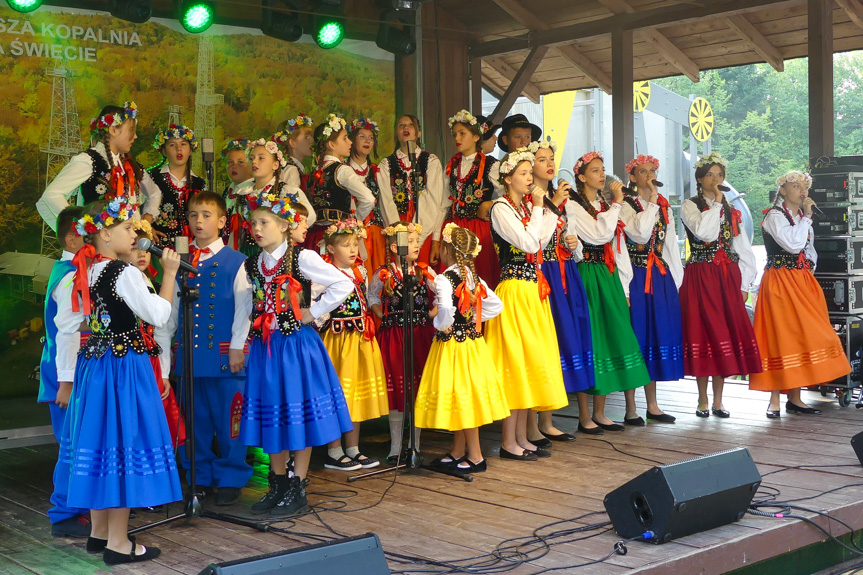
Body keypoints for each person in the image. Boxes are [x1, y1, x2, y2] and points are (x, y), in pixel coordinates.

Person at [55, 198, 183, 564]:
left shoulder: (87, 271)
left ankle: (98, 533)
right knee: (126, 446)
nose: (136, 233)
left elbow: (69, 323)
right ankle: (118, 543)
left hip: (96, 366)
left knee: (101, 445)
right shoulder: (125, 273)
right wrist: (170, 273)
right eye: (129, 228)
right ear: (106, 234)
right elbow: (158, 314)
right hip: (125, 368)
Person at [240, 193, 353, 515]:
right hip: (266, 348)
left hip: (296, 346)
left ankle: (297, 485)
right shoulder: (252, 264)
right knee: (273, 415)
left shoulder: (301, 258)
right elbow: (248, 306)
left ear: (284, 225)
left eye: (264, 222)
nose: (257, 228)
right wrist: (242, 342)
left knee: (297, 414)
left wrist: (312, 311)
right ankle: (277, 483)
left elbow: (342, 284)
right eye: (253, 223)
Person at [157, 191, 254, 506]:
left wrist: (238, 347)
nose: (199, 221)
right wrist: (165, 365)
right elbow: (168, 315)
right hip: (190, 360)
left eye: (207, 215)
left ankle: (231, 476)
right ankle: (198, 476)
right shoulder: (179, 262)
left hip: (226, 358)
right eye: (194, 215)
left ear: (223, 221)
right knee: (194, 423)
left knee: (230, 422)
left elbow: (244, 309)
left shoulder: (236, 261)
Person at [484, 149, 568, 461]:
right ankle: (508, 441)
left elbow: (543, 240)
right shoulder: (501, 209)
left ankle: (521, 436)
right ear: (507, 179)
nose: (529, 178)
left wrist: (547, 210)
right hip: (515, 290)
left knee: (529, 364)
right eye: (523, 174)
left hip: (533, 290)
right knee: (515, 367)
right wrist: (539, 208)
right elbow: (529, 243)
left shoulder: (525, 209)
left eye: (529, 173)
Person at [751, 170, 850, 417]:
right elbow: (793, 244)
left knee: (807, 335)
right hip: (780, 281)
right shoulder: (774, 216)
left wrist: (807, 269)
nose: (802, 191)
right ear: (783, 191)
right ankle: (774, 399)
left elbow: (808, 249)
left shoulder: (800, 218)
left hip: (801, 280)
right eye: (796, 187)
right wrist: (806, 217)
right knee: (781, 336)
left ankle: (795, 398)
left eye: (805, 187)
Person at [416, 223, 509, 474]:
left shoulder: (446, 279)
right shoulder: (471, 275)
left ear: (446, 249)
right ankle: (458, 451)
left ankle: (476, 456)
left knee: (462, 398)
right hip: (471, 344)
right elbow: (495, 305)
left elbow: (445, 309)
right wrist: (470, 318)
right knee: (462, 397)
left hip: (454, 347)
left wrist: (442, 324)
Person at [567, 151, 650, 434]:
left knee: (613, 338)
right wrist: (616, 204)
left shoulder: (604, 203)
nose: (601, 175)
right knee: (591, 340)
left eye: (603, 170)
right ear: (581, 176)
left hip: (608, 274)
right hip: (587, 275)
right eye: (594, 170)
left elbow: (618, 246)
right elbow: (597, 234)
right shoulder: (572, 204)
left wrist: (625, 285)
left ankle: (600, 412)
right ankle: (583, 414)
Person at [680, 152, 761, 418]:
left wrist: (746, 280)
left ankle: (718, 400)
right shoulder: (690, 205)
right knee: (704, 333)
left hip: (726, 276)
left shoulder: (731, 209)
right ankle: (702, 399)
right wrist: (716, 205)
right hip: (701, 275)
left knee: (723, 335)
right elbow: (704, 233)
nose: (716, 179)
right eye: (710, 175)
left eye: (720, 175)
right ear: (700, 179)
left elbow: (741, 245)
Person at [527, 140, 591, 444]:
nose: (549, 164)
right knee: (547, 340)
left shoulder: (563, 198)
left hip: (565, 271)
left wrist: (572, 244)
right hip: (543, 274)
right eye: (541, 159)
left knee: (569, 337)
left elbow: (567, 234)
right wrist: (551, 201)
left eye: (551, 158)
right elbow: (533, 239)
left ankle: (569, 416)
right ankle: (543, 420)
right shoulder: (529, 199)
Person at [317, 219, 389, 471]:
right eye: (345, 245)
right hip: (338, 340)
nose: (352, 250)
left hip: (360, 339)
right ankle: (334, 451)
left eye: (355, 244)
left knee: (355, 395)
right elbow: (318, 305)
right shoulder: (325, 273)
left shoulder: (361, 272)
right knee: (339, 395)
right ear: (330, 249)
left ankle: (353, 449)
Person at [38, 206, 91, 540]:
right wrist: (66, 383)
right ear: (73, 236)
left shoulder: (74, 269)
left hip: (69, 372)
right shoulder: (70, 273)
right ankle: (63, 513)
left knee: (78, 443)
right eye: (90, 231)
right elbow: (69, 334)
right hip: (64, 374)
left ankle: (78, 508)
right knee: (71, 445)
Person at [620, 154, 683, 424]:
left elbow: (669, 244)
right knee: (637, 337)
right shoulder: (625, 205)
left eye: (652, 170)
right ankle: (630, 407)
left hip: (659, 276)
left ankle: (653, 404)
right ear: (632, 178)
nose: (649, 176)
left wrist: (675, 282)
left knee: (655, 338)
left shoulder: (663, 206)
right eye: (643, 172)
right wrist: (653, 203)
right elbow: (640, 235)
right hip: (635, 275)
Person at [368, 222, 437, 462]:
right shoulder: (384, 273)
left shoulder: (424, 271)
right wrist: (379, 313)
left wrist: (432, 313)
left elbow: (442, 293)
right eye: (413, 242)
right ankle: (396, 446)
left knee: (416, 389)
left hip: (418, 334)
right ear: (397, 247)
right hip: (393, 335)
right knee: (397, 392)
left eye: (418, 242)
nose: (418, 246)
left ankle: (415, 444)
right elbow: (371, 295)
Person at [36, 102, 153, 230]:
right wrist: (82, 229)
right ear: (113, 130)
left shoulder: (124, 165)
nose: (135, 136)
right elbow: (51, 195)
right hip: (98, 247)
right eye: (131, 130)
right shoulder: (89, 160)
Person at [125, 220, 185, 448]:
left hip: (151, 360)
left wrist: (164, 372)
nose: (142, 254)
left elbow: (161, 332)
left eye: (146, 248)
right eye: (135, 248)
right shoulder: (125, 280)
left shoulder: (153, 282)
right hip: (132, 359)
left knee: (158, 421)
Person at [435, 109, 502, 288]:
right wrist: (436, 238)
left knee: (480, 276)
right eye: (455, 134)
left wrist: (490, 203)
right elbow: (443, 203)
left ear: (475, 137)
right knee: (453, 279)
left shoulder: (491, 165)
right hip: (453, 228)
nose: (457, 138)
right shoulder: (452, 165)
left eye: (462, 133)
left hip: (478, 231)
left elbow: (509, 198)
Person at [377, 115, 446, 263]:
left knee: (421, 272)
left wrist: (416, 238)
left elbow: (433, 199)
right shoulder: (386, 164)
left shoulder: (431, 161)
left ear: (418, 133)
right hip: (397, 222)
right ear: (396, 132)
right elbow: (386, 201)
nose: (405, 128)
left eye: (410, 125)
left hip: (423, 226)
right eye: (401, 125)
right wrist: (400, 235)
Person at [303, 114, 375, 253]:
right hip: (336, 240)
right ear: (331, 144)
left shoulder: (314, 173)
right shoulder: (342, 170)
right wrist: (351, 224)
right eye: (345, 138)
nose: (350, 142)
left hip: (313, 239)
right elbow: (369, 199)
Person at [140, 124, 206, 248]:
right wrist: (146, 228)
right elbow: (137, 208)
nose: (178, 149)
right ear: (164, 151)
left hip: (192, 247)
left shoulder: (199, 183)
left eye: (183, 144)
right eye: (172, 145)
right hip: (158, 247)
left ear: (191, 150)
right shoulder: (152, 177)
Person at [231, 138, 300, 255]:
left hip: (275, 252)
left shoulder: (285, 190)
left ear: (275, 164)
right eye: (252, 158)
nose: (254, 162)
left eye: (261, 158)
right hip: (246, 251)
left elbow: (307, 217)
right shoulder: (242, 192)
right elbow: (234, 231)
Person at [348, 118, 387, 279]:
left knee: (376, 278)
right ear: (351, 140)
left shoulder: (378, 171)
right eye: (362, 136)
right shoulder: (342, 171)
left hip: (375, 233)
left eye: (371, 138)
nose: (367, 141)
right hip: (350, 233)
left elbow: (386, 203)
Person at [221, 138, 250, 247]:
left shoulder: (251, 191)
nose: (234, 166)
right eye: (230, 162)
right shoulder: (228, 191)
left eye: (240, 162)